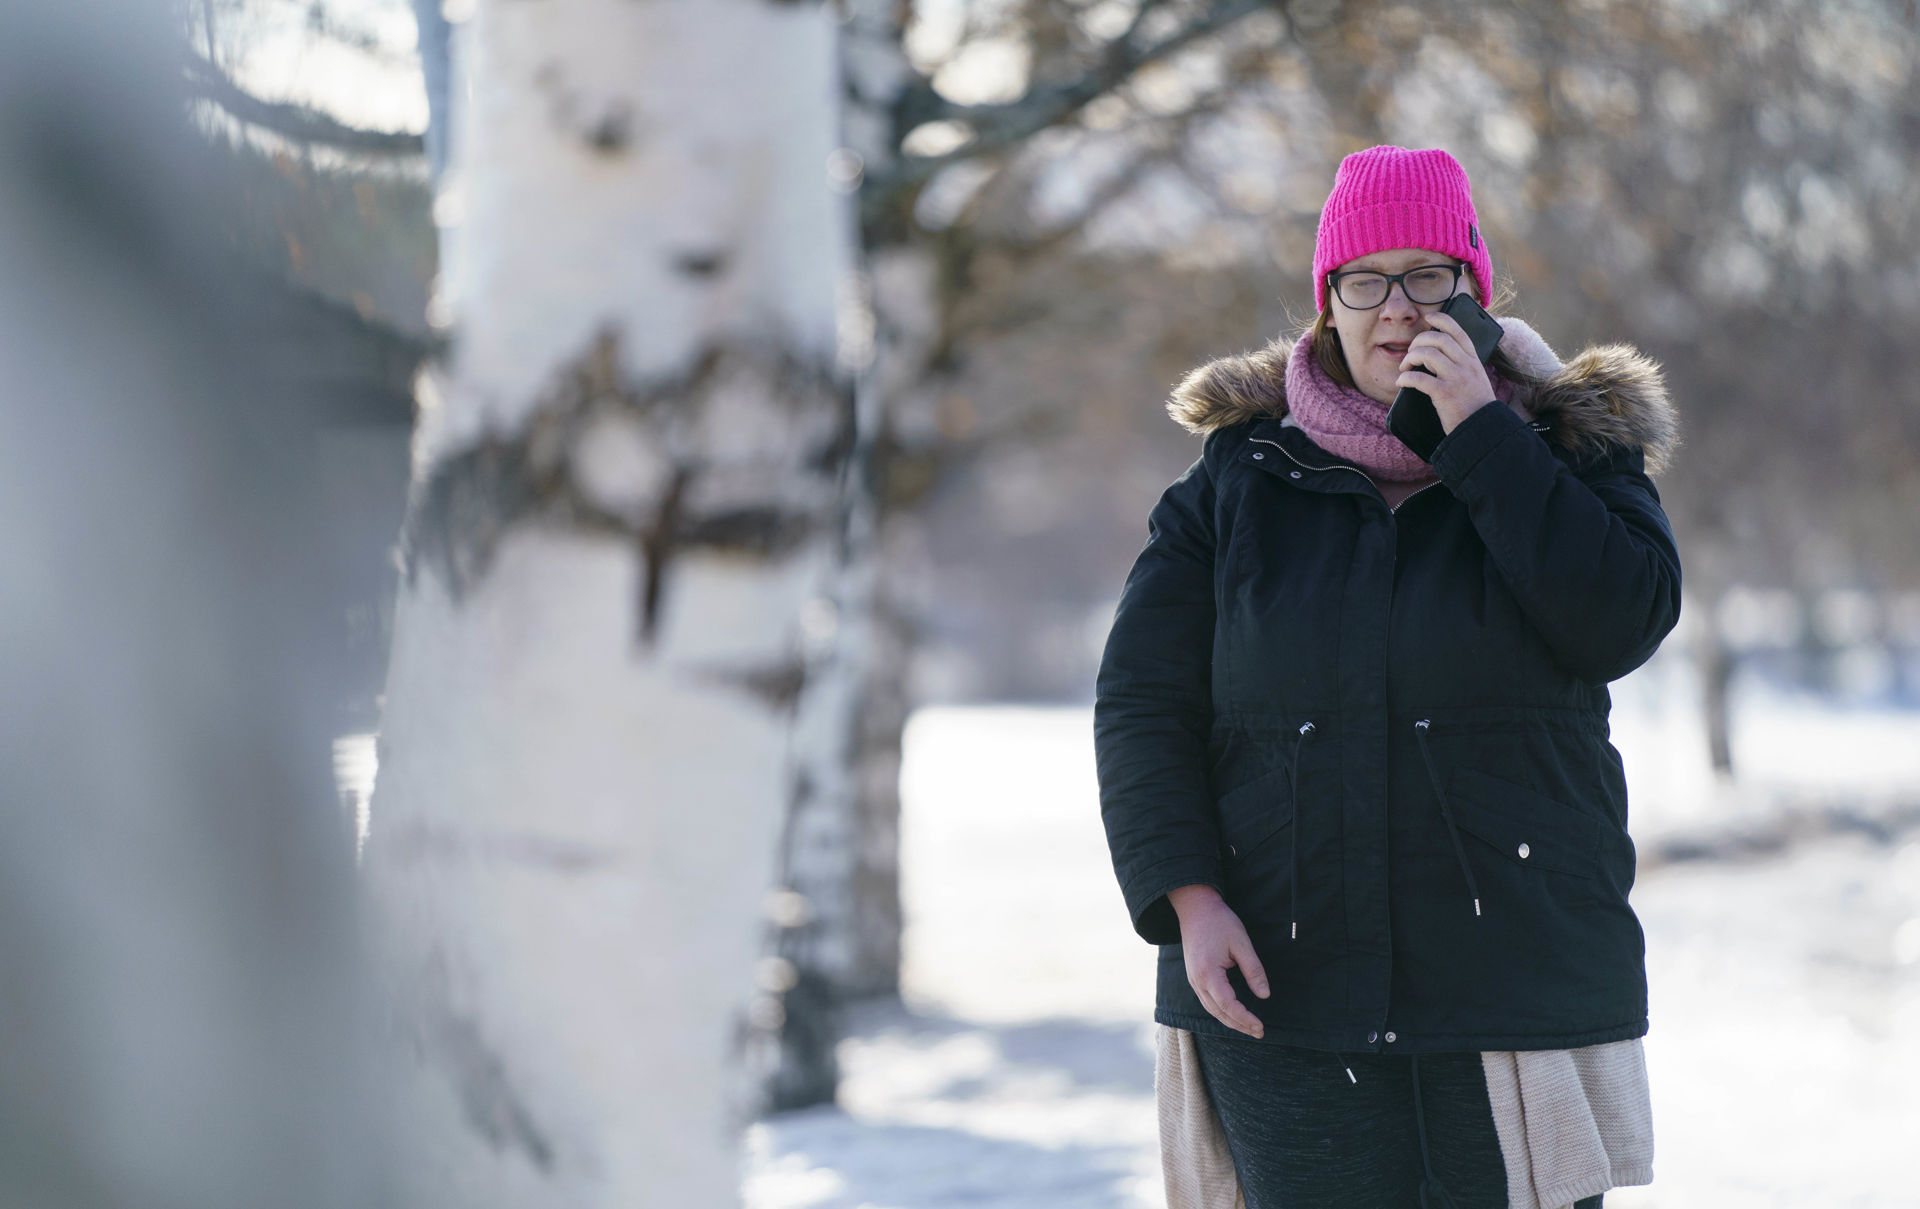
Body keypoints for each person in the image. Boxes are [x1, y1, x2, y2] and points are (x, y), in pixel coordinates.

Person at [1093, 144, 1680, 1209]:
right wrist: (1183, 897)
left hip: (1511, 982)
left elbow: (1621, 622)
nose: (1397, 308)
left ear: (1477, 297)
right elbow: (1143, 701)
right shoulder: (1238, 475)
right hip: (1279, 984)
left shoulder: (1569, 445)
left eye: (1428, 277)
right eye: (1364, 280)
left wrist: (1485, 438)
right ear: (1327, 303)